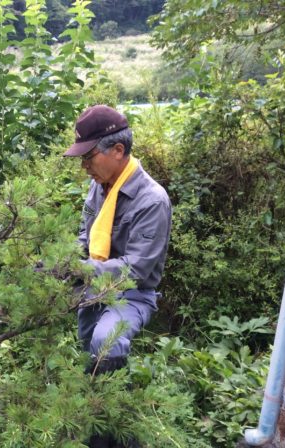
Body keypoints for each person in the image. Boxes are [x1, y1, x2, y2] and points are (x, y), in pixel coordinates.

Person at [64, 105, 172, 375]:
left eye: (89, 157)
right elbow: (86, 236)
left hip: (132, 292)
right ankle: (94, 392)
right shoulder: (98, 186)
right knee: (87, 351)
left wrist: (79, 269)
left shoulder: (152, 200)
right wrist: (62, 260)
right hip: (94, 284)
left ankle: (112, 394)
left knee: (105, 343)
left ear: (118, 150)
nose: (84, 166)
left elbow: (135, 269)